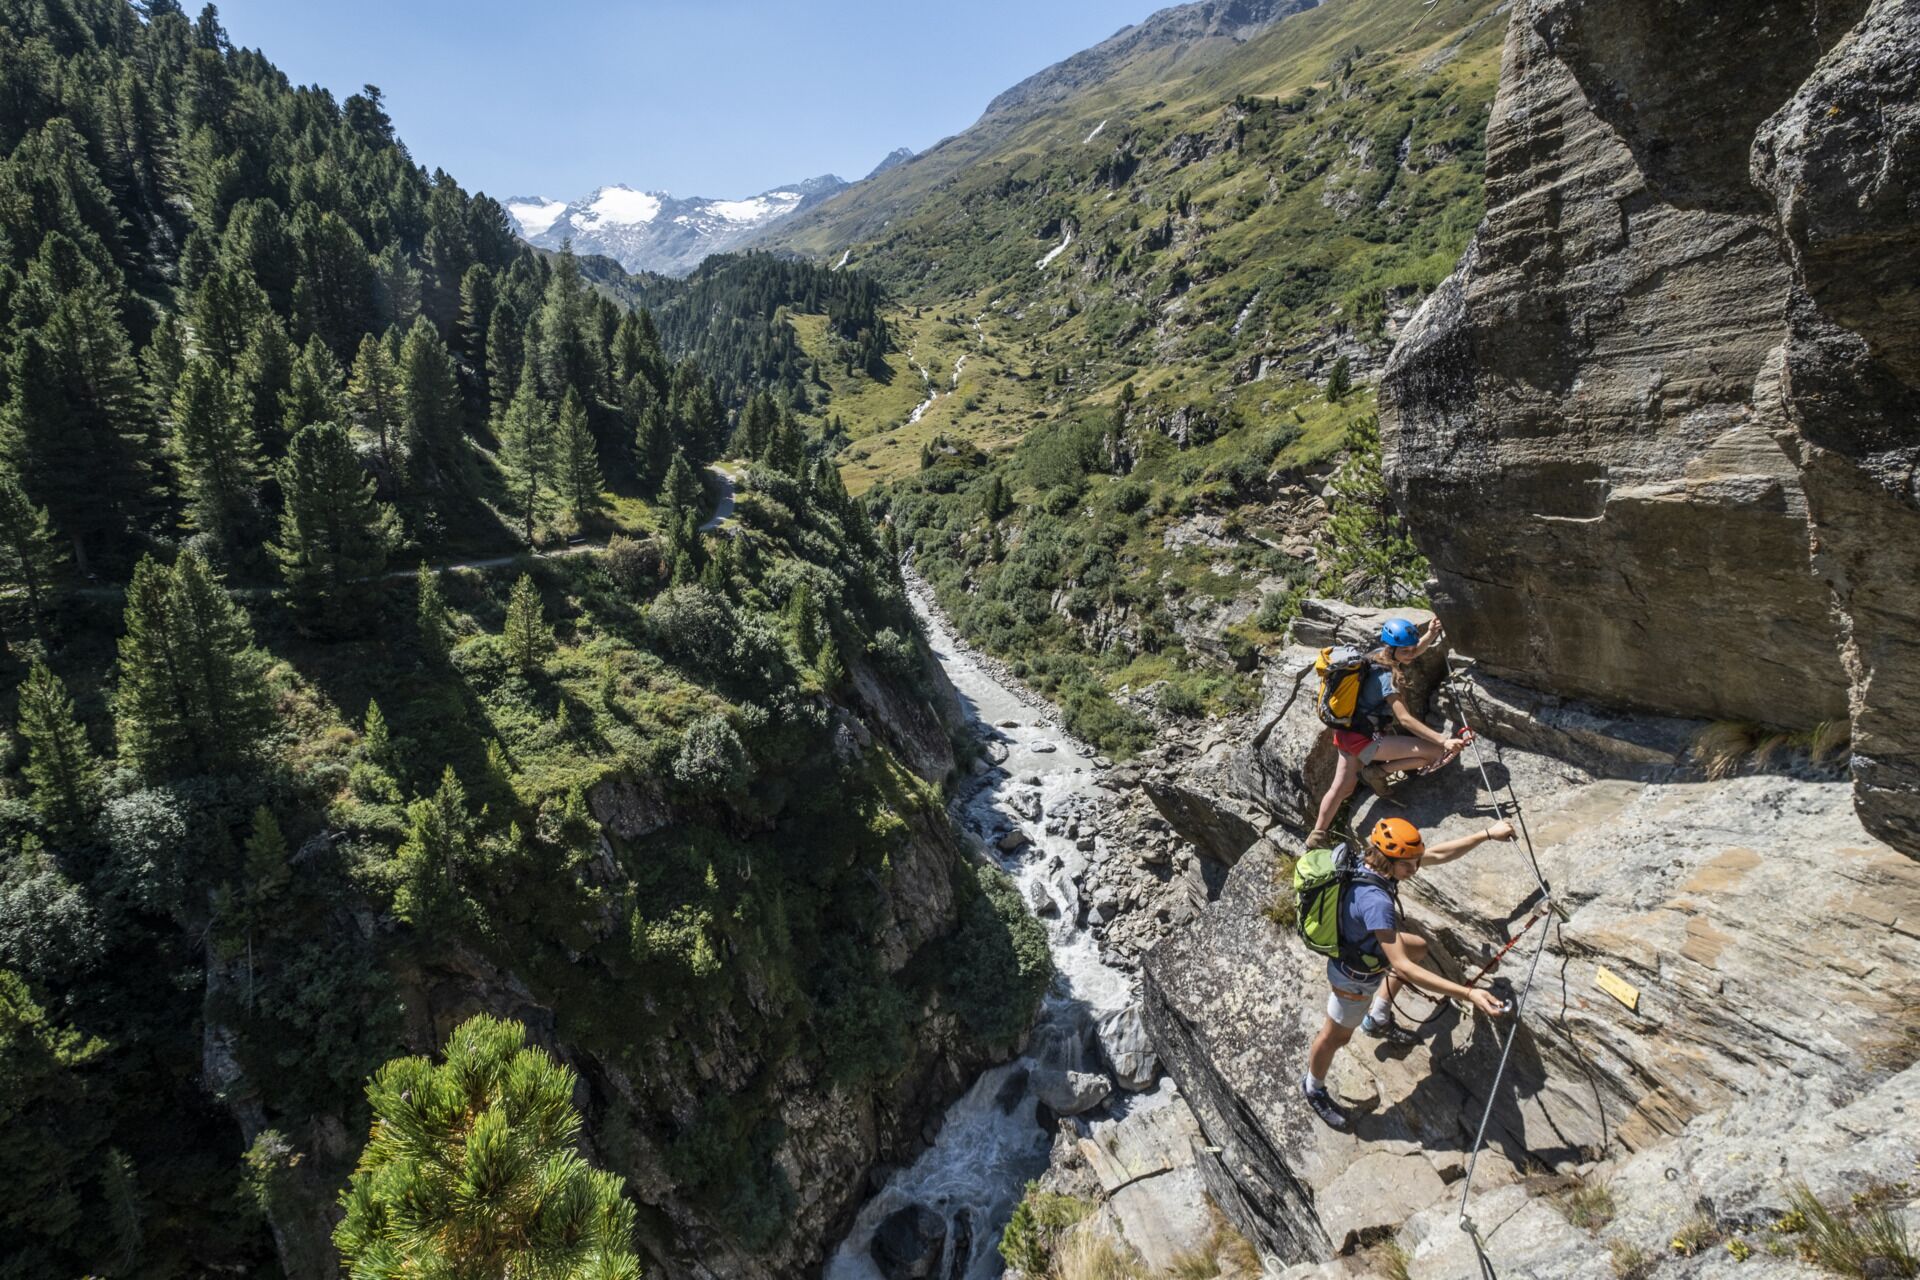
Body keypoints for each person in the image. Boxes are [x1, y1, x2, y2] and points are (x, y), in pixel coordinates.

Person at [1300, 815, 1517, 1129]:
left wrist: (1486, 834)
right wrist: (1469, 993)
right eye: (1408, 865)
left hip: (1364, 947)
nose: (1414, 869)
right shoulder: (1376, 902)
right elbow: (1402, 967)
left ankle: (1378, 1018)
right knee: (1335, 1038)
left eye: (1415, 862)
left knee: (1417, 947)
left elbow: (1438, 854)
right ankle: (1313, 1087)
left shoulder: (1368, 861)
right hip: (1353, 978)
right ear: (1389, 860)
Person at [1306, 617, 1463, 849]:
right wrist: (1444, 740)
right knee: (1435, 753)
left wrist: (1429, 634)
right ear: (1392, 648)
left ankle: (1317, 835)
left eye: (1412, 648)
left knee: (1342, 789)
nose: (1411, 654)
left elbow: (1411, 652)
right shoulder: (1387, 678)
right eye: (1406, 650)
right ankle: (1377, 772)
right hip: (1366, 740)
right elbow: (1405, 719)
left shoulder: (1376, 656)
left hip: (1347, 732)